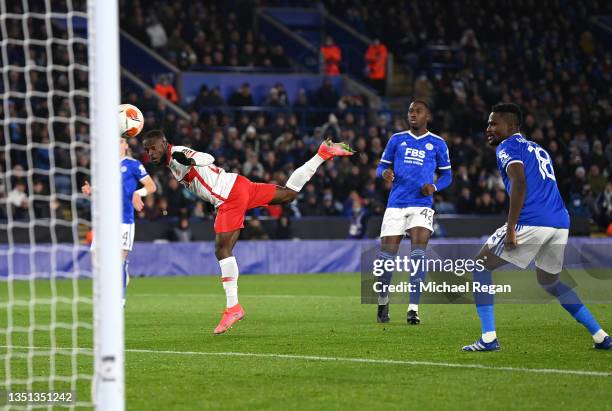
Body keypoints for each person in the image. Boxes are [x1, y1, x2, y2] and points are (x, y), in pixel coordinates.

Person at [143, 130, 354, 334]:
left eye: (153, 148)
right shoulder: (171, 160)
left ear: (164, 143)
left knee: (222, 250)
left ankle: (233, 307)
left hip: (229, 196)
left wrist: (192, 160)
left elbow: (208, 157)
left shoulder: (178, 153)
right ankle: (321, 154)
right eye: (147, 150)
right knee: (288, 194)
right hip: (238, 184)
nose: (150, 153)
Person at [462, 103, 611, 351]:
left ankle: (488, 338)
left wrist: (511, 228)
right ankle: (600, 335)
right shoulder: (538, 149)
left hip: (531, 220)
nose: (488, 128)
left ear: (511, 126)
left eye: (493, 123)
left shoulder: (506, 146)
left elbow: (519, 182)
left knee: (480, 266)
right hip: (559, 221)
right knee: (550, 281)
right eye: (488, 123)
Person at [375, 100, 452, 325]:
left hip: (421, 205)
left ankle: (413, 309)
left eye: (418, 111)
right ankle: (383, 301)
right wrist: (384, 174)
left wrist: (435, 187)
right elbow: (381, 167)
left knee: (418, 256)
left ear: (427, 115)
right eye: (410, 111)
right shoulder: (396, 140)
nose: (413, 114)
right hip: (396, 204)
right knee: (386, 260)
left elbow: (448, 175)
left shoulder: (438, 143)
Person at [81, 138, 157, 307]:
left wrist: (138, 193)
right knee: (96, 262)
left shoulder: (133, 164)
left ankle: (119, 298)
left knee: (118, 262)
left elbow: (151, 186)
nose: (117, 144)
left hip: (124, 219)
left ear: (126, 146)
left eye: (121, 141)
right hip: (104, 220)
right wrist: (90, 191)